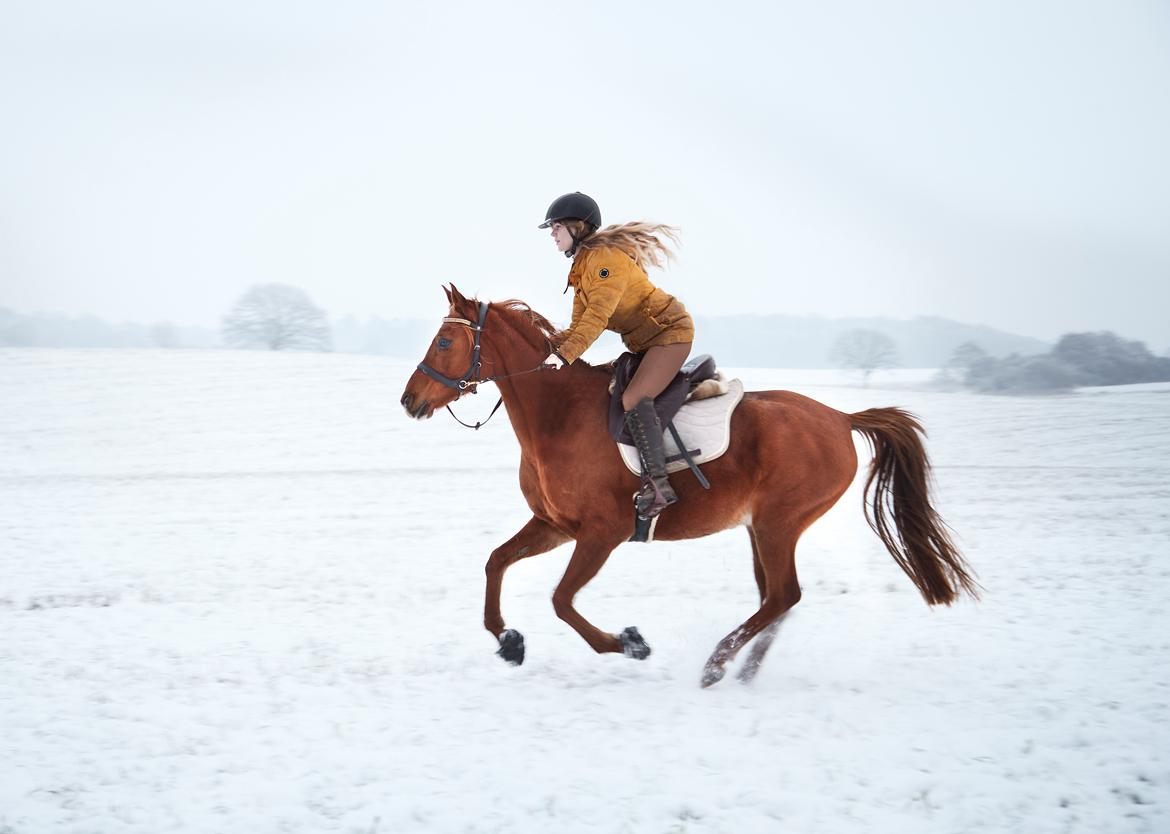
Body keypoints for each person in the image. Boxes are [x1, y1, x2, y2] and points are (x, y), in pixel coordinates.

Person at [538, 191, 695, 520]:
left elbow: (596, 318)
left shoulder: (605, 261)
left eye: (556, 227)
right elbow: (578, 325)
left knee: (634, 398)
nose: (552, 233)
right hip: (644, 344)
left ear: (578, 227)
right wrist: (544, 347)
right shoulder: (582, 268)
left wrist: (564, 357)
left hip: (670, 335)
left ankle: (659, 486)